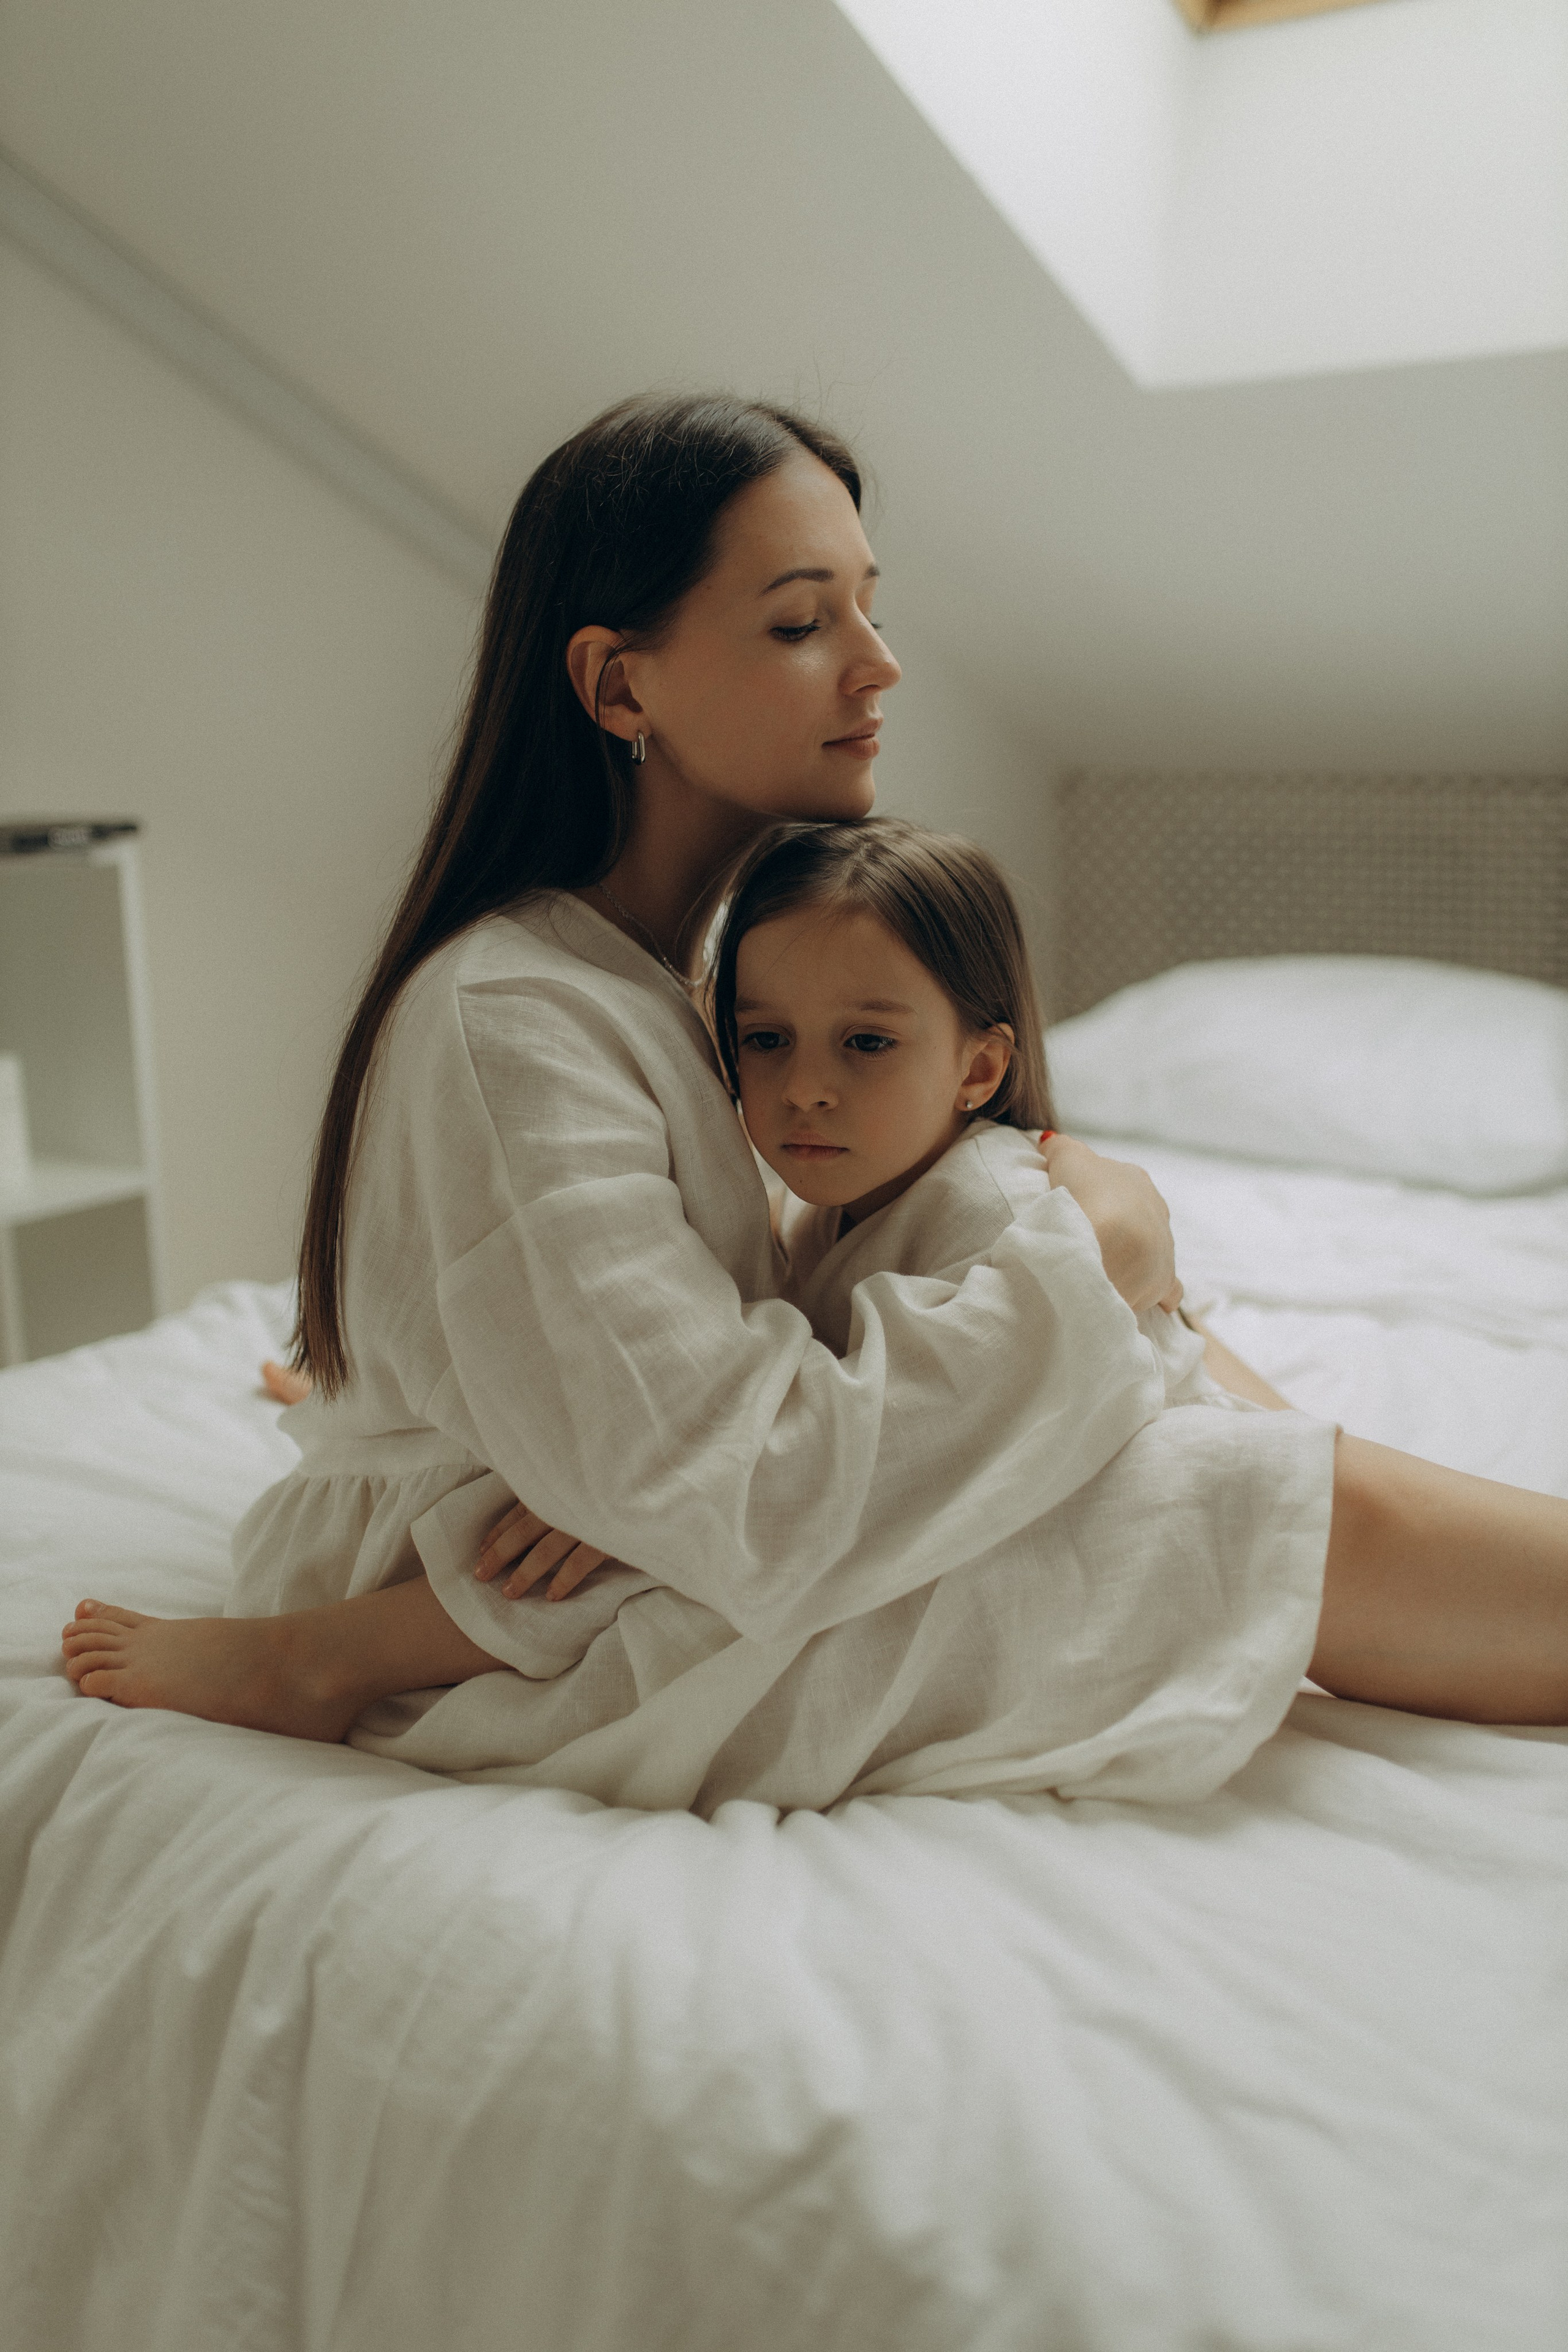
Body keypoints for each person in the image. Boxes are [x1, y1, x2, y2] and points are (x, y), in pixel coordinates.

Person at [61, 393, 1568, 1811]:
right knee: (1233, 1501)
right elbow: (753, 1492)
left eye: (864, 601)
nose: (877, 661)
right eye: (800, 621)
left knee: (1179, 1396)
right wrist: (1093, 1259)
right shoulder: (512, 1018)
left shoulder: (676, 964)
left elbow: (712, 1346)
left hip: (639, 1526)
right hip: (548, 1600)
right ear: (617, 683)